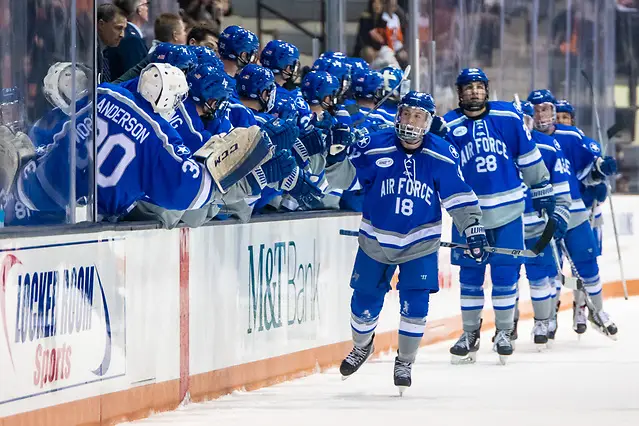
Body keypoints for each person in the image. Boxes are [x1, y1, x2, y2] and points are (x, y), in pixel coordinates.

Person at [338, 91, 485, 394]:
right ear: (398, 115)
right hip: (375, 238)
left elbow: (457, 195)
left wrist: (472, 228)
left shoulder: (442, 154)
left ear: (428, 121)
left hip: (420, 242)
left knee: (415, 304)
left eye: (418, 116)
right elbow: (346, 181)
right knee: (363, 303)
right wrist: (333, 156)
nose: (411, 121)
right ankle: (362, 347)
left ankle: (405, 360)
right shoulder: (373, 145)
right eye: (407, 114)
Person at [443, 68, 555, 365]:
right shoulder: (448, 125)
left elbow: (528, 155)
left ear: (487, 89)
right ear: (460, 92)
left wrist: (541, 186)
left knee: (506, 275)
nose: (474, 92)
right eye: (468, 88)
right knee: (470, 278)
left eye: (479, 86)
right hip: (468, 217)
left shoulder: (507, 117)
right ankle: (469, 334)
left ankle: (504, 331)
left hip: (508, 212)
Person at [527, 88, 618, 339]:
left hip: (574, 209)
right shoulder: (524, 139)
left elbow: (586, 173)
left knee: (588, 265)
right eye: (536, 109)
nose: (541, 114)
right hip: (541, 214)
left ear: (554, 112)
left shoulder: (572, 136)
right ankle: (545, 319)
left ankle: (596, 310)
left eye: (546, 109)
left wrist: (600, 171)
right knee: (546, 271)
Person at [518, 101, 571, 346]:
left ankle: (544, 320)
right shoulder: (503, 146)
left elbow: (561, 187)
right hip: (509, 222)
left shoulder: (548, 144)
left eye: (528, 118)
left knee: (542, 275)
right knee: (507, 278)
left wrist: (560, 214)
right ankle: (509, 325)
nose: (525, 123)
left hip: (538, 222)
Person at [105, 0, 150, 81]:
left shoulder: (129, 34)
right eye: (146, 4)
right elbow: (135, 78)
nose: (148, 8)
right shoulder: (131, 39)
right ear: (139, 9)